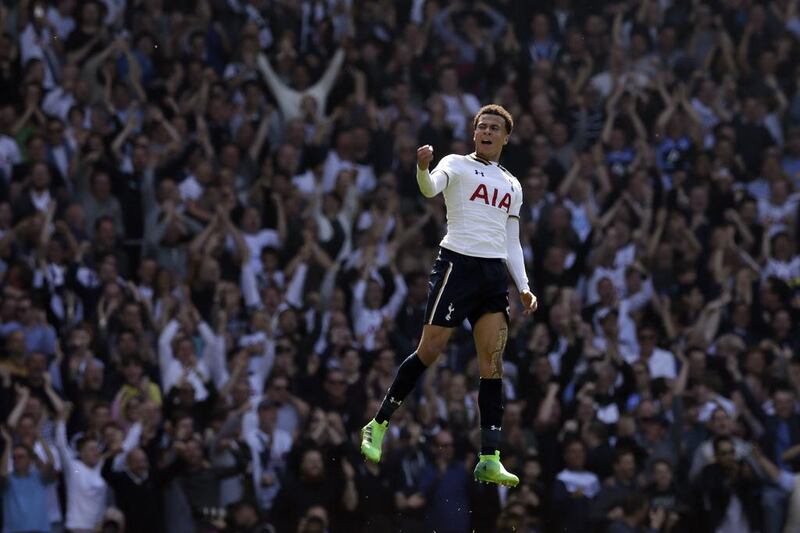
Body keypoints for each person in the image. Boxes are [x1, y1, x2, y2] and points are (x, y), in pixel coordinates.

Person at [359, 104, 538, 487]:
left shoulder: (512, 184)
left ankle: (489, 456)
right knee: (431, 350)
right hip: (457, 265)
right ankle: (378, 423)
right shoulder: (455, 164)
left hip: (492, 275)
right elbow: (429, 190)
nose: (486, 132)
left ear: (506, 137)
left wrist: (522, 286)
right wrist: (423, 167)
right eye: (481, 127)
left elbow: (511, 240)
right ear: (474, 133)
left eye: (494, 128)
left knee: (492, 363)